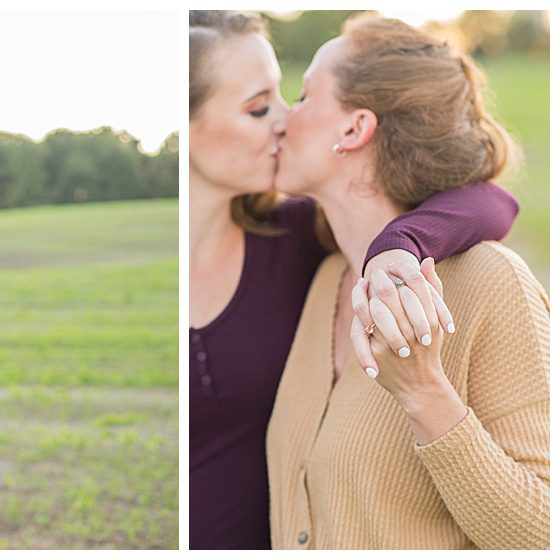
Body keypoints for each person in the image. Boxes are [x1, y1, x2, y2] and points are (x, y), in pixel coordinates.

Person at [187, 10, 520, 549]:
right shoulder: (321, 273)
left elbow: (493, 201)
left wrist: (398, 246)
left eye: (290, 95)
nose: (283, 118)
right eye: (258, 106)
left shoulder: (295, 242)